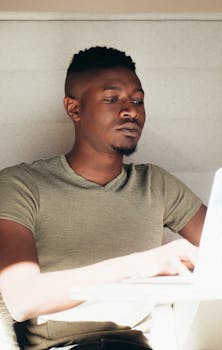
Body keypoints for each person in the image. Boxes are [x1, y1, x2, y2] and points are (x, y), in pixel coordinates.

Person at [0, 46, 206, 350]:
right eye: (112, 99)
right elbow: (24, 299)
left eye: (138, 100)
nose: (131, 110)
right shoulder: (21, 185)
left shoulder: (155, 184)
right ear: (74, 109)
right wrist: (143, 264)